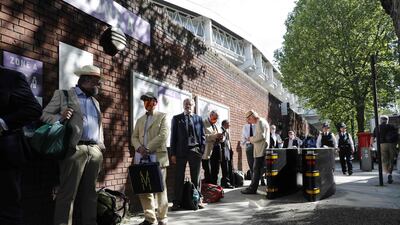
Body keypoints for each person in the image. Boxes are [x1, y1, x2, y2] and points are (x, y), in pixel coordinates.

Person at [41, 65, 105, 225]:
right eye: (97, 82)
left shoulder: (95, 102)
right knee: (67, 193)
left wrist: (100, 146)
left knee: (90, 193)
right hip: (74, 149)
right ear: (86, 80)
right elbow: (44, 115)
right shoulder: (64, 95)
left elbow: (99, 124)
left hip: (94, 150)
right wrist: (60, 117)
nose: (100, 85)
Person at [0, 66, 42, 225]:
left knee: (7, 209)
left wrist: (3, 123)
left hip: (4, 154)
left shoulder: (11, 77)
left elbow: (33, 109)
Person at [131, 92, 169, 225]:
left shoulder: (162, 116)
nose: (146, 103)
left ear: (155, 102)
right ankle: (150, 218)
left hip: (157, 156)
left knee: (160, 188)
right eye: (144, 101)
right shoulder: (140, 120)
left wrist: (148, 148)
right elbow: (134, 137)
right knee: (144, 188)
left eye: (149, 101)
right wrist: (139, 148)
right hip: (142, 157)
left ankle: (162, 218)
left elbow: (163, 135)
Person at [170, 98, 205, 210]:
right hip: (181, 152)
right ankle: (176, 202)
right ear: (183, 105)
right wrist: (173, 154)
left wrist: (201, 150)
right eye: (186, 104)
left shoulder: (198, 119)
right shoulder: (177, 118)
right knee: (179, 177)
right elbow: (173, 137)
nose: (187, 106)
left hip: (195, 151)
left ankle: (198, 200)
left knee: (196, 177)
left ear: (193, 105)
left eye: (190, 104)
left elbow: (202, 136)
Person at [241, 110, 269, 194]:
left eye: (249, 120)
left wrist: (251, 139)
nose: (249, 122)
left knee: (256, 169)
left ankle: (252, 189)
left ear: (252, 117)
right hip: (261, 148)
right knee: (258, 169)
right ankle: (252, 188)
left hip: (260, 149)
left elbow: (261, 136)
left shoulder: (259, 122)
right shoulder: (262, 121)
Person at [370, 115, 398, 184]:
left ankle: (388, 174)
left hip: (382, 145)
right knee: (391, 160)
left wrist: (371, 145)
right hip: (392, 145)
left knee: (385, 160)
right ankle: (390, 173)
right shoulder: (392, 126)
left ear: (380, 120)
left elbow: (372, 138)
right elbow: (397, 135)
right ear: (387, 120)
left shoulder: (377, 127)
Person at [202, 110, 224, 185]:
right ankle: (209, 188)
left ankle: (215, 187)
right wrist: (214, 136)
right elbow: (202, 137)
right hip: (207, 150)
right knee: (208, 170)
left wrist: (221, 138)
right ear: (210, 116)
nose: (215, 120)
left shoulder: (216, 124)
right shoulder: (203, 123)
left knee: (216, 169)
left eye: (217, 119)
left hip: (217, 148)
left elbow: (220, 136)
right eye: (214, 118)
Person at [220, 120, 234, 188]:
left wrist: (231, 149)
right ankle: (226, 183)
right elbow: (222, 141)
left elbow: (228, 142)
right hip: (223, 152)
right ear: (224, 124)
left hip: (227, 151)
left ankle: (228, 182)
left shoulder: (226, 132)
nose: (229, 125)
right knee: (225, 168)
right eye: (228, 124)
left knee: (228, 167)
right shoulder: (221, 130)